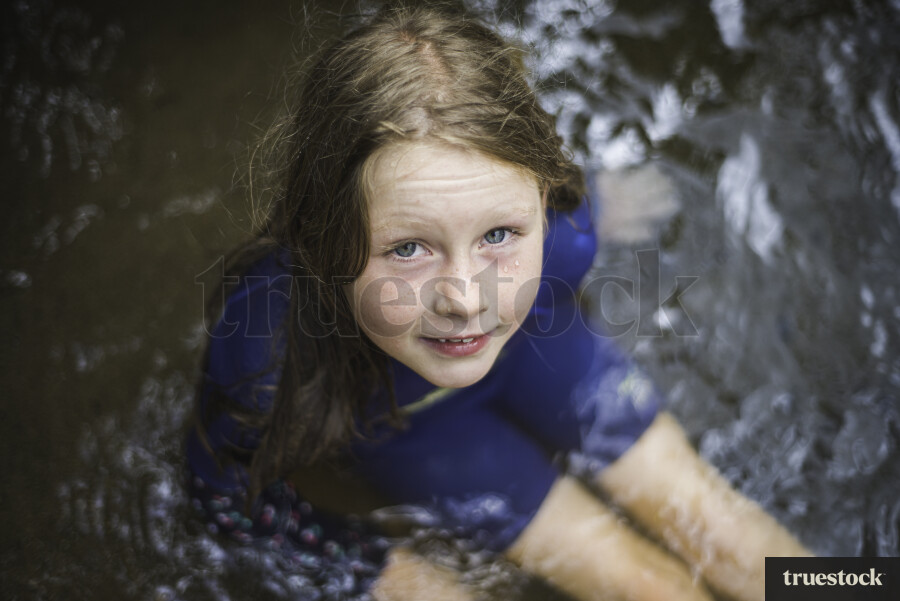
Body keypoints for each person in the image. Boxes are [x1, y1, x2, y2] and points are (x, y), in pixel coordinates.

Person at [186, 3, 811, 600]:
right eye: (407, 249)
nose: (464, 300)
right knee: (647, 590)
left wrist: (603, 205)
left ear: (541, 206)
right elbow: (224, 495)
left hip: (545, 349)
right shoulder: (264, 350)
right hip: (419, 432)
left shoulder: (566, 239)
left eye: (498, 235)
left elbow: (571, 210)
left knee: (728, 538)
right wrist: (372, 566)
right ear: (321, 240)